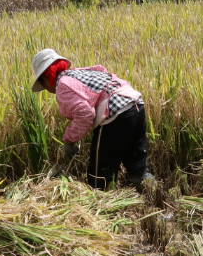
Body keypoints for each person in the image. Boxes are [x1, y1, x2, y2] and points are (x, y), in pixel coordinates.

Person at [30, 48, 153, 190]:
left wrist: (69, 139)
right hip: (135, 106)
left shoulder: (63, 85)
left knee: (98, 176)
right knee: (139, 170)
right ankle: (156, 201)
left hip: (115, 114)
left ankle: (104, 209)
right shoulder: (79, 73)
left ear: (46, 77)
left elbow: (85, 113)